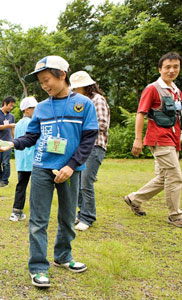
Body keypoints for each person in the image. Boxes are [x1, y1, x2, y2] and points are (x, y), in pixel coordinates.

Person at [0, 56, 98, 288]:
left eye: (47, 80)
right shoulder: (42, 108)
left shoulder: (84, 104)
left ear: (62, 75)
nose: (44, 86)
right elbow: (31, 136)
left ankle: (64, 257)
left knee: (66, 216)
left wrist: (71, 166)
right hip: (43, 167)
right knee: (38, 219)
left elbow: (89, 139)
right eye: (41, 82)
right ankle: (38, 267)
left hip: (71, 170)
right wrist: (12, 144)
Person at [125, 52, 182, 228]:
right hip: (159, 139)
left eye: (175, 67)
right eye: (167, 67)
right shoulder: (152, 88)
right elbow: (141, 114)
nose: (171, 70)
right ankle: (175, 216)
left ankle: (134, 199)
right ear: (160, 69)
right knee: (175, 176)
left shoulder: (177, 91)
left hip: (174, 140)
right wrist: (137, 139)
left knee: (164, 177)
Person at [70, 71, 111, 231]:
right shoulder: (81, 102)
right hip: (82, 147)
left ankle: (88, 217)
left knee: (86, 183)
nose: (73, 91)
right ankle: (81, 214)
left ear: (84, 86)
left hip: (95, 146)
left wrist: (79, 126)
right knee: (79, 183)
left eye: (76, 88)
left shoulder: (97, 100)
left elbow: (102, 124)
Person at [10, 96, 38, 221]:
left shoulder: (18, 123)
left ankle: (16, 211)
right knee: (37, 187)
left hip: (21, 161)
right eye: (34, 108)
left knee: (21, 185)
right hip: (33, 159)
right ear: (27, 109)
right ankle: (36, 213)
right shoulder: (32, 123)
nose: (36, 111)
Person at [0, 96, 16, 187]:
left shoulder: (11, 116)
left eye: (12, 106)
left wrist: (14, 141)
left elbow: (12, 130)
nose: (11, 107)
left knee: (6, 163)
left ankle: (5, 181)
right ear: (5, 104)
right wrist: (10, 125)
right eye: (10, 105)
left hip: (8, 141)